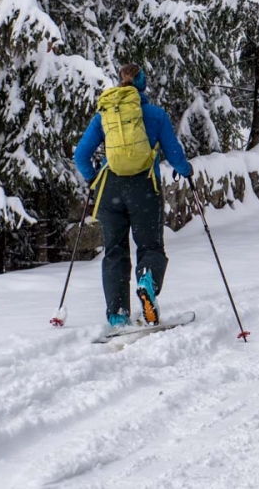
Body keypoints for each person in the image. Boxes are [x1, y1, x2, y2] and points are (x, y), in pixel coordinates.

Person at [74, 63, 193, 327]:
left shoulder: (105, 115)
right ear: (142, 83)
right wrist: (186, 170)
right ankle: (147, 278)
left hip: (110, 191)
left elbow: (80, 155)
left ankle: (117, 315)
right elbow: (174, 154)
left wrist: (94, 178)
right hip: (143, 189)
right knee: (150, 246)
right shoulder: (155, 115)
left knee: (114, 251)